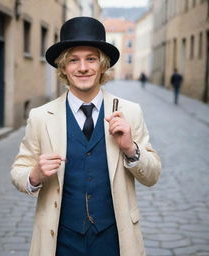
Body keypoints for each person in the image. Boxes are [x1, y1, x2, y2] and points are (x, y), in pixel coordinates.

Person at [11, 17, 161, 256]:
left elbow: (152, 176)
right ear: (63, 67)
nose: (83, 68)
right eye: (73, 60)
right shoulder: (41, 116)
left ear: (103, 65)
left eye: (91, 59)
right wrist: (35, 175)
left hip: (115, 240)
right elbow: (19, 170)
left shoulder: (130, 112)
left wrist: (131, 150)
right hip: (60, 241)